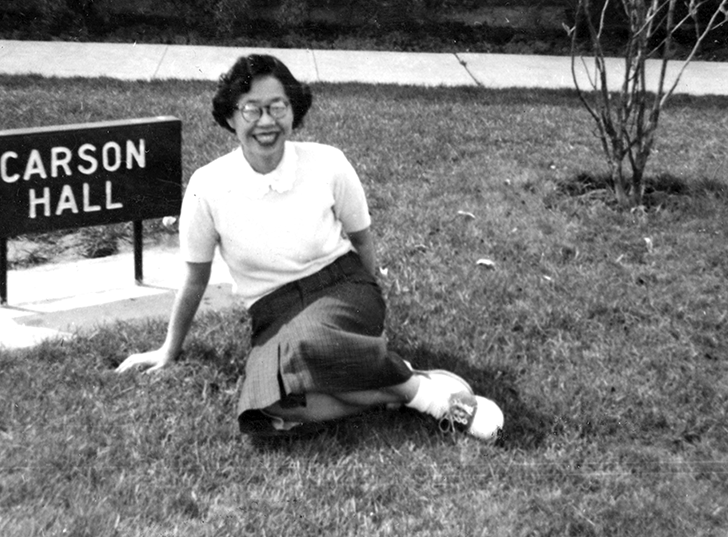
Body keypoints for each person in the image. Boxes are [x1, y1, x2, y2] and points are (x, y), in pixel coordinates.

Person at [117, 54, 503, 442]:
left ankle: (429, 399)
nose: (265, 121)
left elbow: (362, 239)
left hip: (341, 287)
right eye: (251, 109)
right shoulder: (207, 187)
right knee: (270, 406)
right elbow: (195, 275)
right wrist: (169, 348)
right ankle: (400, 383)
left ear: (293, 111)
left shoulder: (328, 163)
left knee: (307, 347)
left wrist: (368, 315)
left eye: (277, 107)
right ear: (231, 117)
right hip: (272, 312)